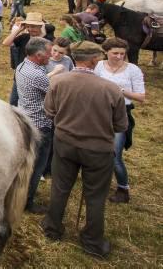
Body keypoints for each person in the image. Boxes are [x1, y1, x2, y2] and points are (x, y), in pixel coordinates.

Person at [42, 41, 128, 259]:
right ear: (92, 60)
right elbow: (121, 125)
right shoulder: (111, 89)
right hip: (98, 150)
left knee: (60, 188)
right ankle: (92, 242)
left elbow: (49, 112)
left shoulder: (58, 82)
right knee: (95, 196)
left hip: (64, 145)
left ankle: (52, 228)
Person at [94, 37, 145, 204]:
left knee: (114, 155)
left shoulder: (133, 70)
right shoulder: (99, 66)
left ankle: (123, 188)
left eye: (122, 53)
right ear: (106, 52)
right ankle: (98, 182)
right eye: (115, 53)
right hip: (99, 112)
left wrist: (120, 90)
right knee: (97, 150)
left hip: (121, 114)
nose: (119, 56)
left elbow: (140, 97)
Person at [15, 37, 53, 213]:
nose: (51, 56)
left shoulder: (22, 66)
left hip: (26, 118)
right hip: (41, 124)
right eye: (48, 53)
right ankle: (26, 201)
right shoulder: (38, 75)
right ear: (38, 55)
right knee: (36, 166)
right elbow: (55, 94)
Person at [3, 12, 49, 105]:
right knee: (13, 103)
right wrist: (18, 30)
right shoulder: (24, 37)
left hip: (38, 78)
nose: (30, 29)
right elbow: (6, 43)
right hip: (21, 76)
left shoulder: (48, 39)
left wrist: (42, 36)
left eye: (33, 26)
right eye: (28, 26)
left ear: (40, 26)